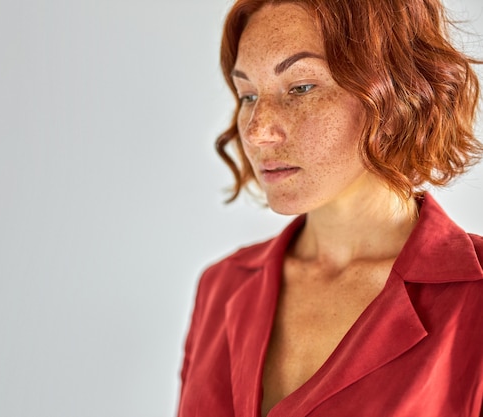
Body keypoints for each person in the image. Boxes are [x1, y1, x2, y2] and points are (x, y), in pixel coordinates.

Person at [177, 0, 483, 416]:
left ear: (398, 91)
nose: (257, 131)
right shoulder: (221, 287)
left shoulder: (474, 301)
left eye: (301, 87)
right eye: (248, 94)